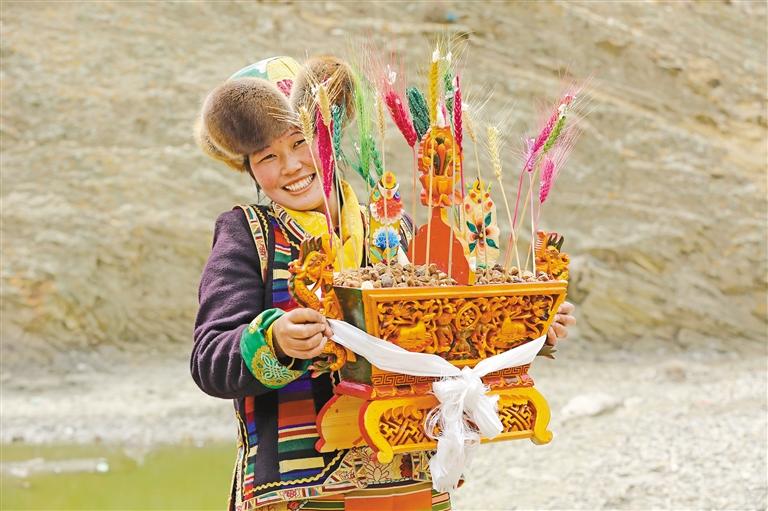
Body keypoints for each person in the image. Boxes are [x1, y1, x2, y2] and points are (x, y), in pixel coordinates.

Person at [192, 55, 576, 511]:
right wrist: (274, 340)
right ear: (250, 169)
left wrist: (530, 330)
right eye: (268, 157)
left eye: (301, 142)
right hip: (303, 490)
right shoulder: (249, 235)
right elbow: (209, 359)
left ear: (329, 138)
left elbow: (453, 336)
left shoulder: (395, 228)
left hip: (410, 476)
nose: (291, 165)